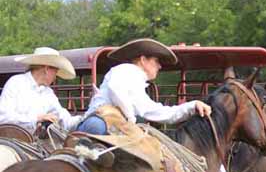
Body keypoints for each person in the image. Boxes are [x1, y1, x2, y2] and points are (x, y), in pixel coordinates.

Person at [77, 38, 211, 134]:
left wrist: (191, 106)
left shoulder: (136, 83)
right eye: (156, 61)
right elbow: (115, 89)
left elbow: (159, 113)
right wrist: (130, 119)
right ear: (143, 60)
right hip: (100, 125)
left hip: (105, 126)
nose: (159, 66)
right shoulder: (126, 69)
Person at [0, 47, 81, 133]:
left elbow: (64, 120)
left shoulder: (48, 93)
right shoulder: (16, 83)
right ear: (46, 69)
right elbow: (3, 117)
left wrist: (85, 118)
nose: (55, 76)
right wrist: (37, 119)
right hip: (11, 141)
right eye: (55, 71)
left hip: (35, 143)